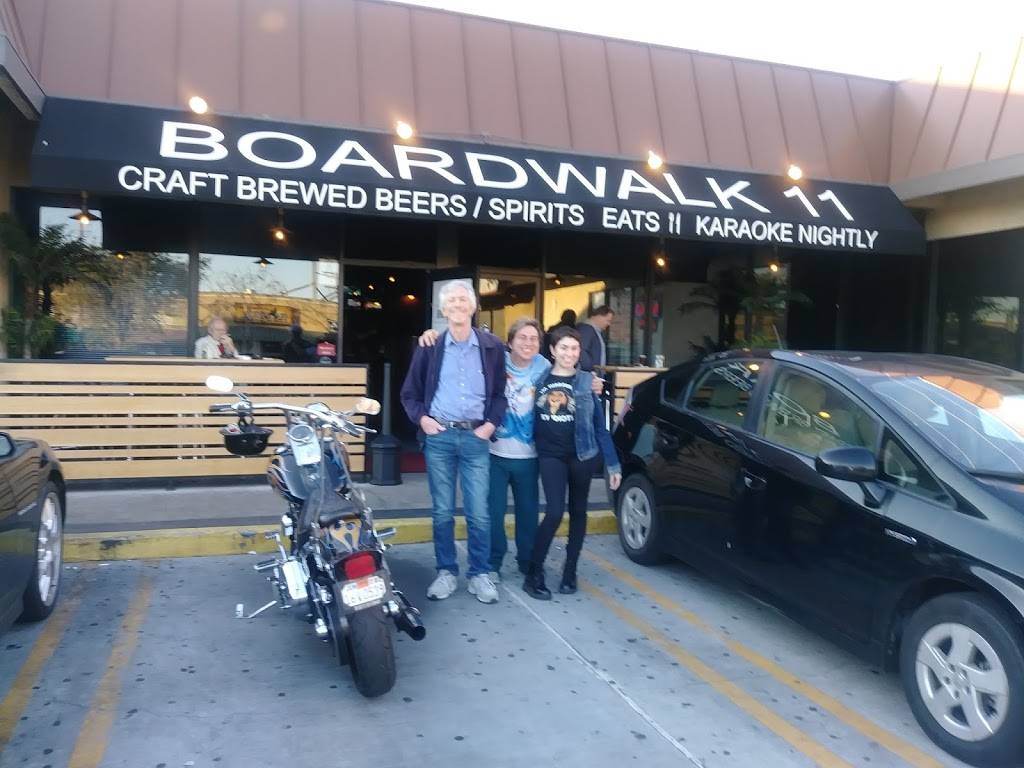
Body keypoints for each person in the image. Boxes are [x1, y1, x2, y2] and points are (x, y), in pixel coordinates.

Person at [416, 318, 604, 581]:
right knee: (492, 513)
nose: (528, 343)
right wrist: (433, 334)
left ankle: (527, 561)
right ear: (510, 342)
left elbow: (570, 372)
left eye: (534, 339)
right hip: (494, 452)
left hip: (530, 455)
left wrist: (592, 381)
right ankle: (493, 563)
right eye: (522, 338)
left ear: (541, 345)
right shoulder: (494, 361)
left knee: (528, 513)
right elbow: (466, 348)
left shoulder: (544, 367)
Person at [400, 280, 507, 605]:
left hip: (476, 437)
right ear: (443, 310)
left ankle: (479, 573)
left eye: (464, 299)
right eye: (452, 301)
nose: (458, 305)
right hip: (440, 437)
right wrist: (423, 420)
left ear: (473, 306)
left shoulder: (492, 346)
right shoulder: (430, 347)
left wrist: (490, 426)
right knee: (442, 511)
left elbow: (500, 395)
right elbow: (409, 394)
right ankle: (446, 571)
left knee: (479, 513)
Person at [524, 325, 621, 600]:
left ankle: (570, 571)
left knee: (578, 512)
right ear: (553, 351)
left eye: (574, 348)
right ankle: (533, 573)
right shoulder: (539, 377)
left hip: (582, 455)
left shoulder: (587, 381)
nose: (569, 353)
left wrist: (613, 464)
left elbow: (600, 427)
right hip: (550, 456)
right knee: (554, 512)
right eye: (564, 347)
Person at [577, 305, 615, 371]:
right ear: (599, 316)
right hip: (590, 373)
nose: (609, 324)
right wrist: (591, 370)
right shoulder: (586, 330)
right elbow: (582, 351)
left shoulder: (595, 331)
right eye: (608, 320)